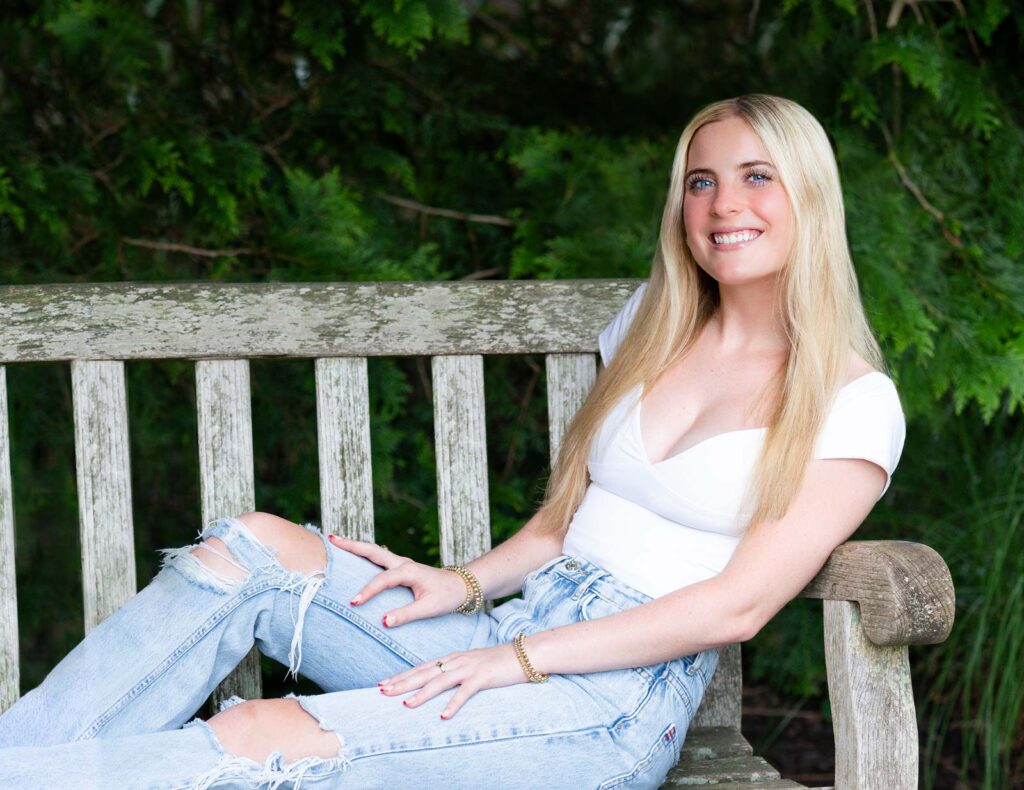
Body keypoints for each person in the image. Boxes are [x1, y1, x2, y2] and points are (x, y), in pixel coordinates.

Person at [0, 94, 905, 789]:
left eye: (756, 177)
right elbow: (564, 522)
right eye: (701, 181)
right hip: (517, 629)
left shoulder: (853, 403)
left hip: (611, 702)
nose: (723, 204)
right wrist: (464, 584)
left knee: (261, 736)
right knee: (255, 550)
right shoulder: (652, 324)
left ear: (809, 196)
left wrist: (517, 661)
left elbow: (735, 609)